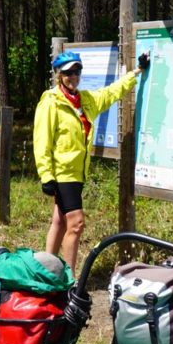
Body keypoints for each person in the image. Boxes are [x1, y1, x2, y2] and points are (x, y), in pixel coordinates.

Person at [34, 50, 150, 274]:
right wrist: (46, 175)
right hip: (63, 173)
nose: (73, 76)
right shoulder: (51, 102)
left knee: (59, 221)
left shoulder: (85, 100)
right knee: (76, 224)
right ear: (59, 74)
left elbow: (111, 93)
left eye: (77, 71)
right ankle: (68, 280)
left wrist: (137, 71)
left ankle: (46, 272)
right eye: (68, 72)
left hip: (77, 173)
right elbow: (42, 141)